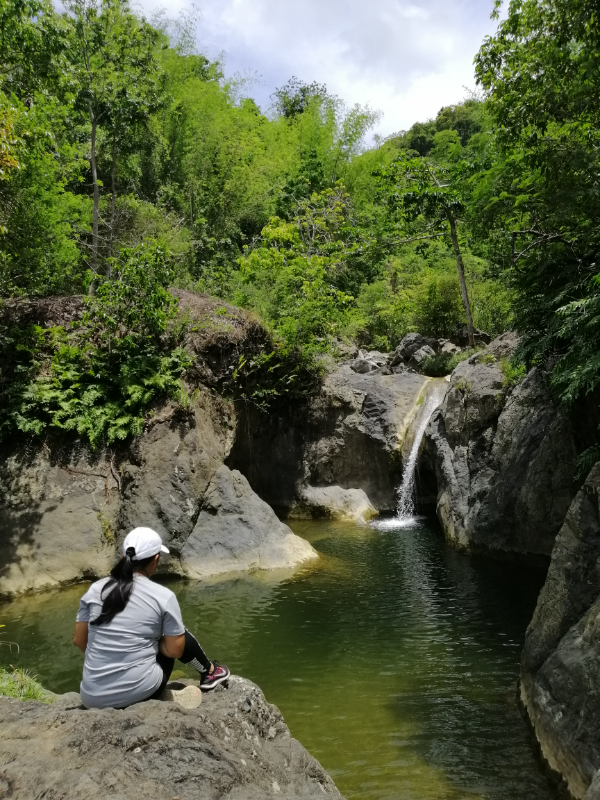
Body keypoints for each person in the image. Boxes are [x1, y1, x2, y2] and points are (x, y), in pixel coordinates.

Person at [73, 527, 230, 709]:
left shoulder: (95, 589)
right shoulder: (162, 596)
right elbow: (175, 651)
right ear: (155, 560)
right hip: (137, 691)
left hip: (91, 697)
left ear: (123, 556)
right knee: (177, 635)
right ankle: (211, 673)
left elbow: (79, 640)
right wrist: (153, 644)